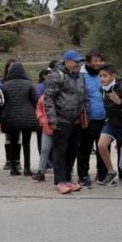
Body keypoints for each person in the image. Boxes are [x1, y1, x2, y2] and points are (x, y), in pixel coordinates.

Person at [45, 50, 88, 194]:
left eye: (79, 61)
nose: (78, 64)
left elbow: (83, 97)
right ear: (67, 61)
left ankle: (68, 179)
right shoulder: (56, 76)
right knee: (60, 152)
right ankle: (59, 181)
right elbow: (48, 98)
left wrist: (84, 115)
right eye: (76, 61)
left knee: (72, 151)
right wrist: (52, 119)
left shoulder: (80, 77)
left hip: (76, 121)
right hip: (61, 120)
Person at [1, 62, 40, 176]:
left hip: (10, 117)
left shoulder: (6, 84)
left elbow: (3, 102)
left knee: (13, 143)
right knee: (26, 143)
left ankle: (13, 168)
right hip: (27, 117)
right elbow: (35, 101)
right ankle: (27, 169)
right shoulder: (29, 84)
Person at [78, 51, 106, 187]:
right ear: (88, 62)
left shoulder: (102, 74)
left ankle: (102, 174)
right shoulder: (81, 76)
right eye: (95, 61)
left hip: (103, 118)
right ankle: (83, 175)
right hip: (88, 119)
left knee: (103, 147)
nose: (98, 63)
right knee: (85, 148)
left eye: (100, 60)